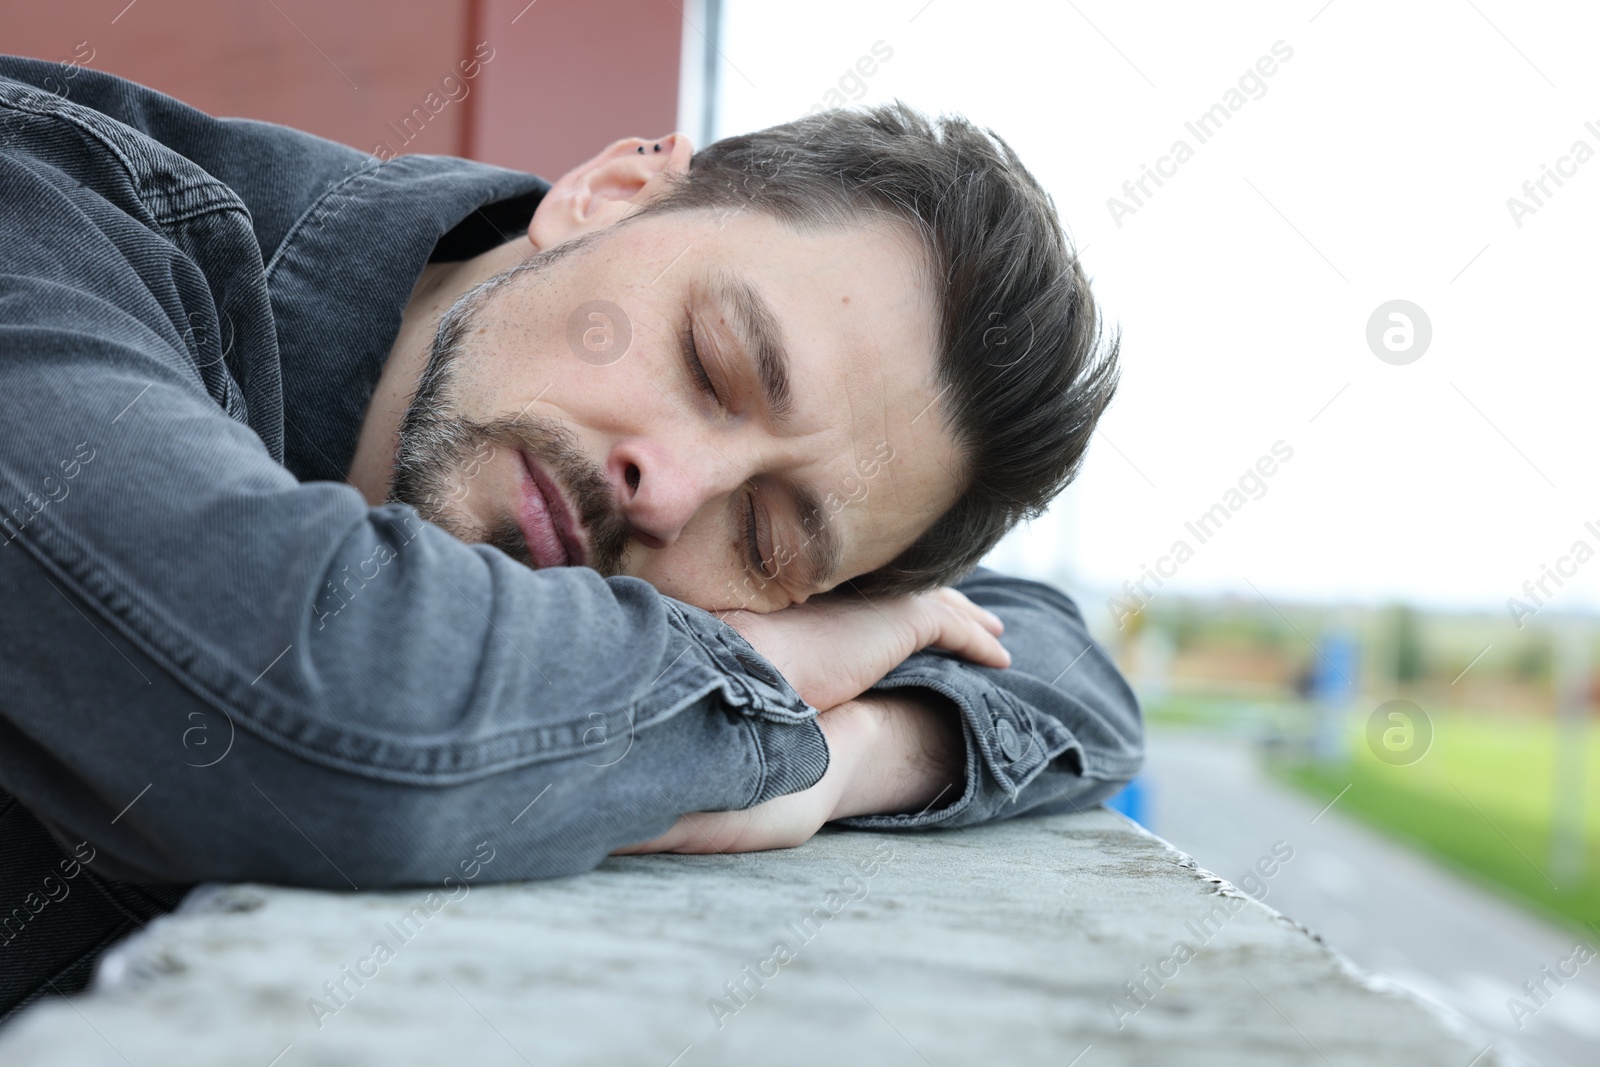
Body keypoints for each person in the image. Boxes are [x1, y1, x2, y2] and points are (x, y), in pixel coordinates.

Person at [0, 54, 1143, 1019]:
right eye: (712, 361)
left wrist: (855, 754)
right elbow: (311, 707)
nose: (670, 490)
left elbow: (1052, 658)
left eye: (768, 540)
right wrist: (771, 699)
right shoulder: (45, 208)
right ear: (610, 192)